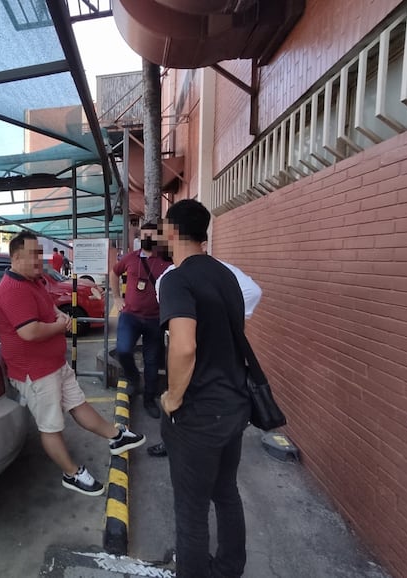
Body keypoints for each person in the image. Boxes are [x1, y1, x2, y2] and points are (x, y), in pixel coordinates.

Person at [0, 232, 146, 496]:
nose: (40, 259)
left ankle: (115, 437)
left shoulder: (34, 281)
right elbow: (29, 332)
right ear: (16, 257)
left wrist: (61, 317)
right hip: (35, 372)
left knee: (78, 404)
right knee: (51, 426)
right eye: (34, 254)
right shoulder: (13, 290)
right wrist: (59, 326)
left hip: (54, 365)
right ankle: (72, 474)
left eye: (40, 253)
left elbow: (51, 310)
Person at [158, 199, 252, 578]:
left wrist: (172, 398)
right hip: (233, 404)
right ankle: (229, 568)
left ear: (171, 231)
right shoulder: (227, 276)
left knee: (191, 510)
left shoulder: (177, 279)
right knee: (226, 492)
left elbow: (184, 345)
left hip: (198, 413)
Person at [147, 247, 262, 458]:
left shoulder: (174, 276)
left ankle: (177, 442)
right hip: (223, 369)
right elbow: (254, 292)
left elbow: (184, 346)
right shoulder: (223, 271)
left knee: (181, 398)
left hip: (194, 350)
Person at [110, 222, 170, 419]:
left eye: (152, 235)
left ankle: (149, 399)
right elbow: (114, 272)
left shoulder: (166, 261)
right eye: (145, 235)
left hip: (155, 319)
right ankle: (134, 378)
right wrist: (117, 297)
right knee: (124, 350)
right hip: (130, 316)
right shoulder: (131, 258)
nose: (148, 239)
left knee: (152, 361)